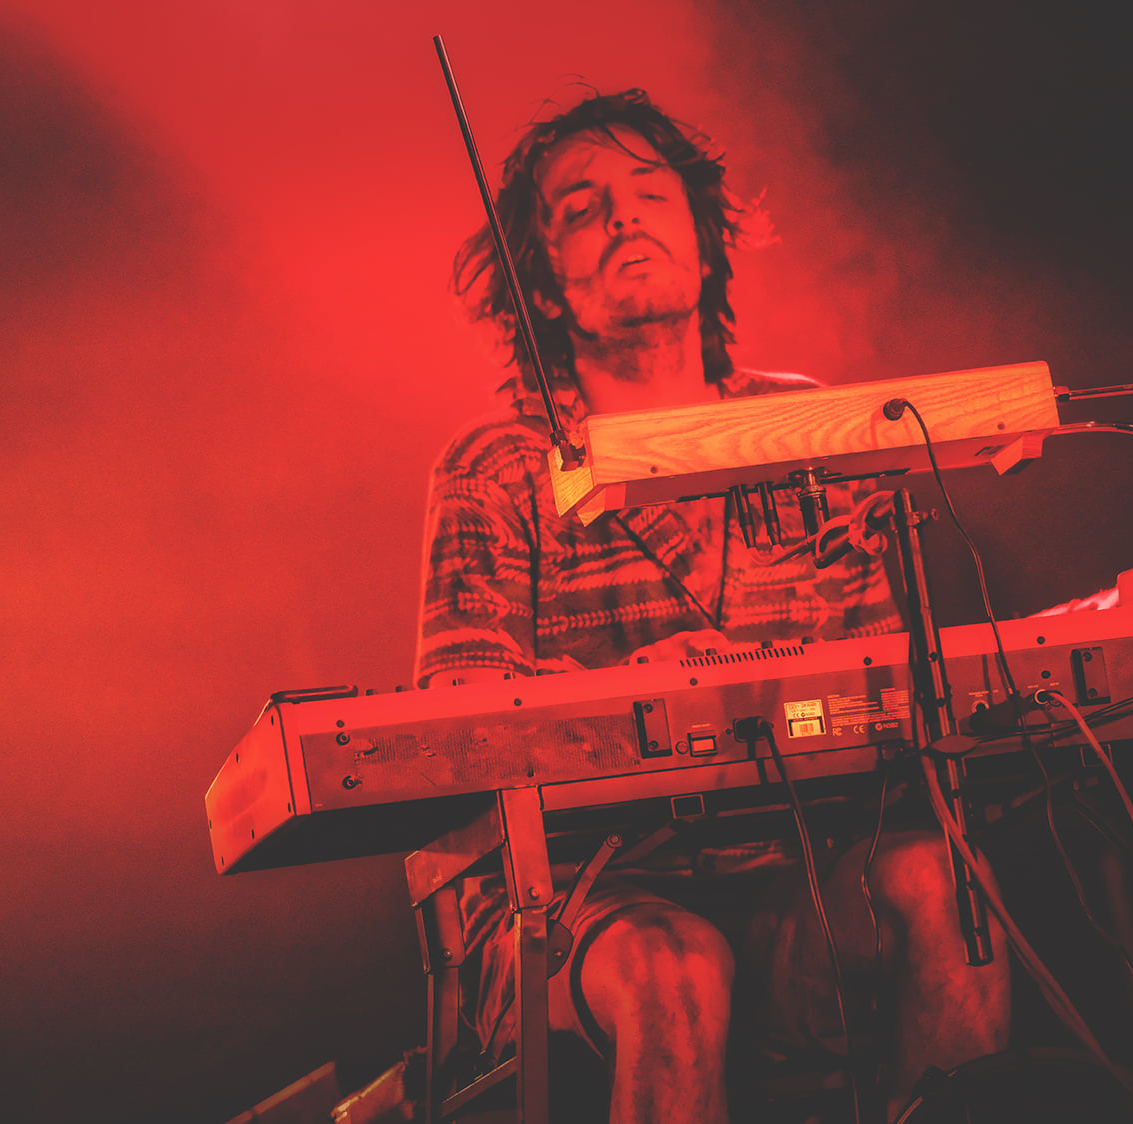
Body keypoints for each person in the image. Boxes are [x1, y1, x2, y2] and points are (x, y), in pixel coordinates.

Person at [415, 89, 1010, 1124]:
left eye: (652, 194)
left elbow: (883, 687)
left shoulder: (805, 427)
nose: (623, 217)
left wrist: (762, 681)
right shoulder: (497, 467)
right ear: (542, 285)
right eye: (582, 209)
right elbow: (455, 724)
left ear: (703, 242)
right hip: (579, 905)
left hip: (797, 880)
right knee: (674, 967)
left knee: (941, 881)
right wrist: (634, 696)